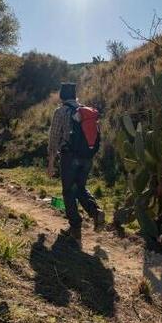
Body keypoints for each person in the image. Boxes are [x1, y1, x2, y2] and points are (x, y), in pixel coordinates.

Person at [47, 82, 105, 234]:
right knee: (80, 188)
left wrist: (51, 163)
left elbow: (54, 138)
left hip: (69, 157)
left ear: (62, 96)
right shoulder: (86, 111)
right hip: (87, 156)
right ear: (74, 95)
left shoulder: (61, 111)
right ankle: (96, 212)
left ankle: (75, 227)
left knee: (68, 191)